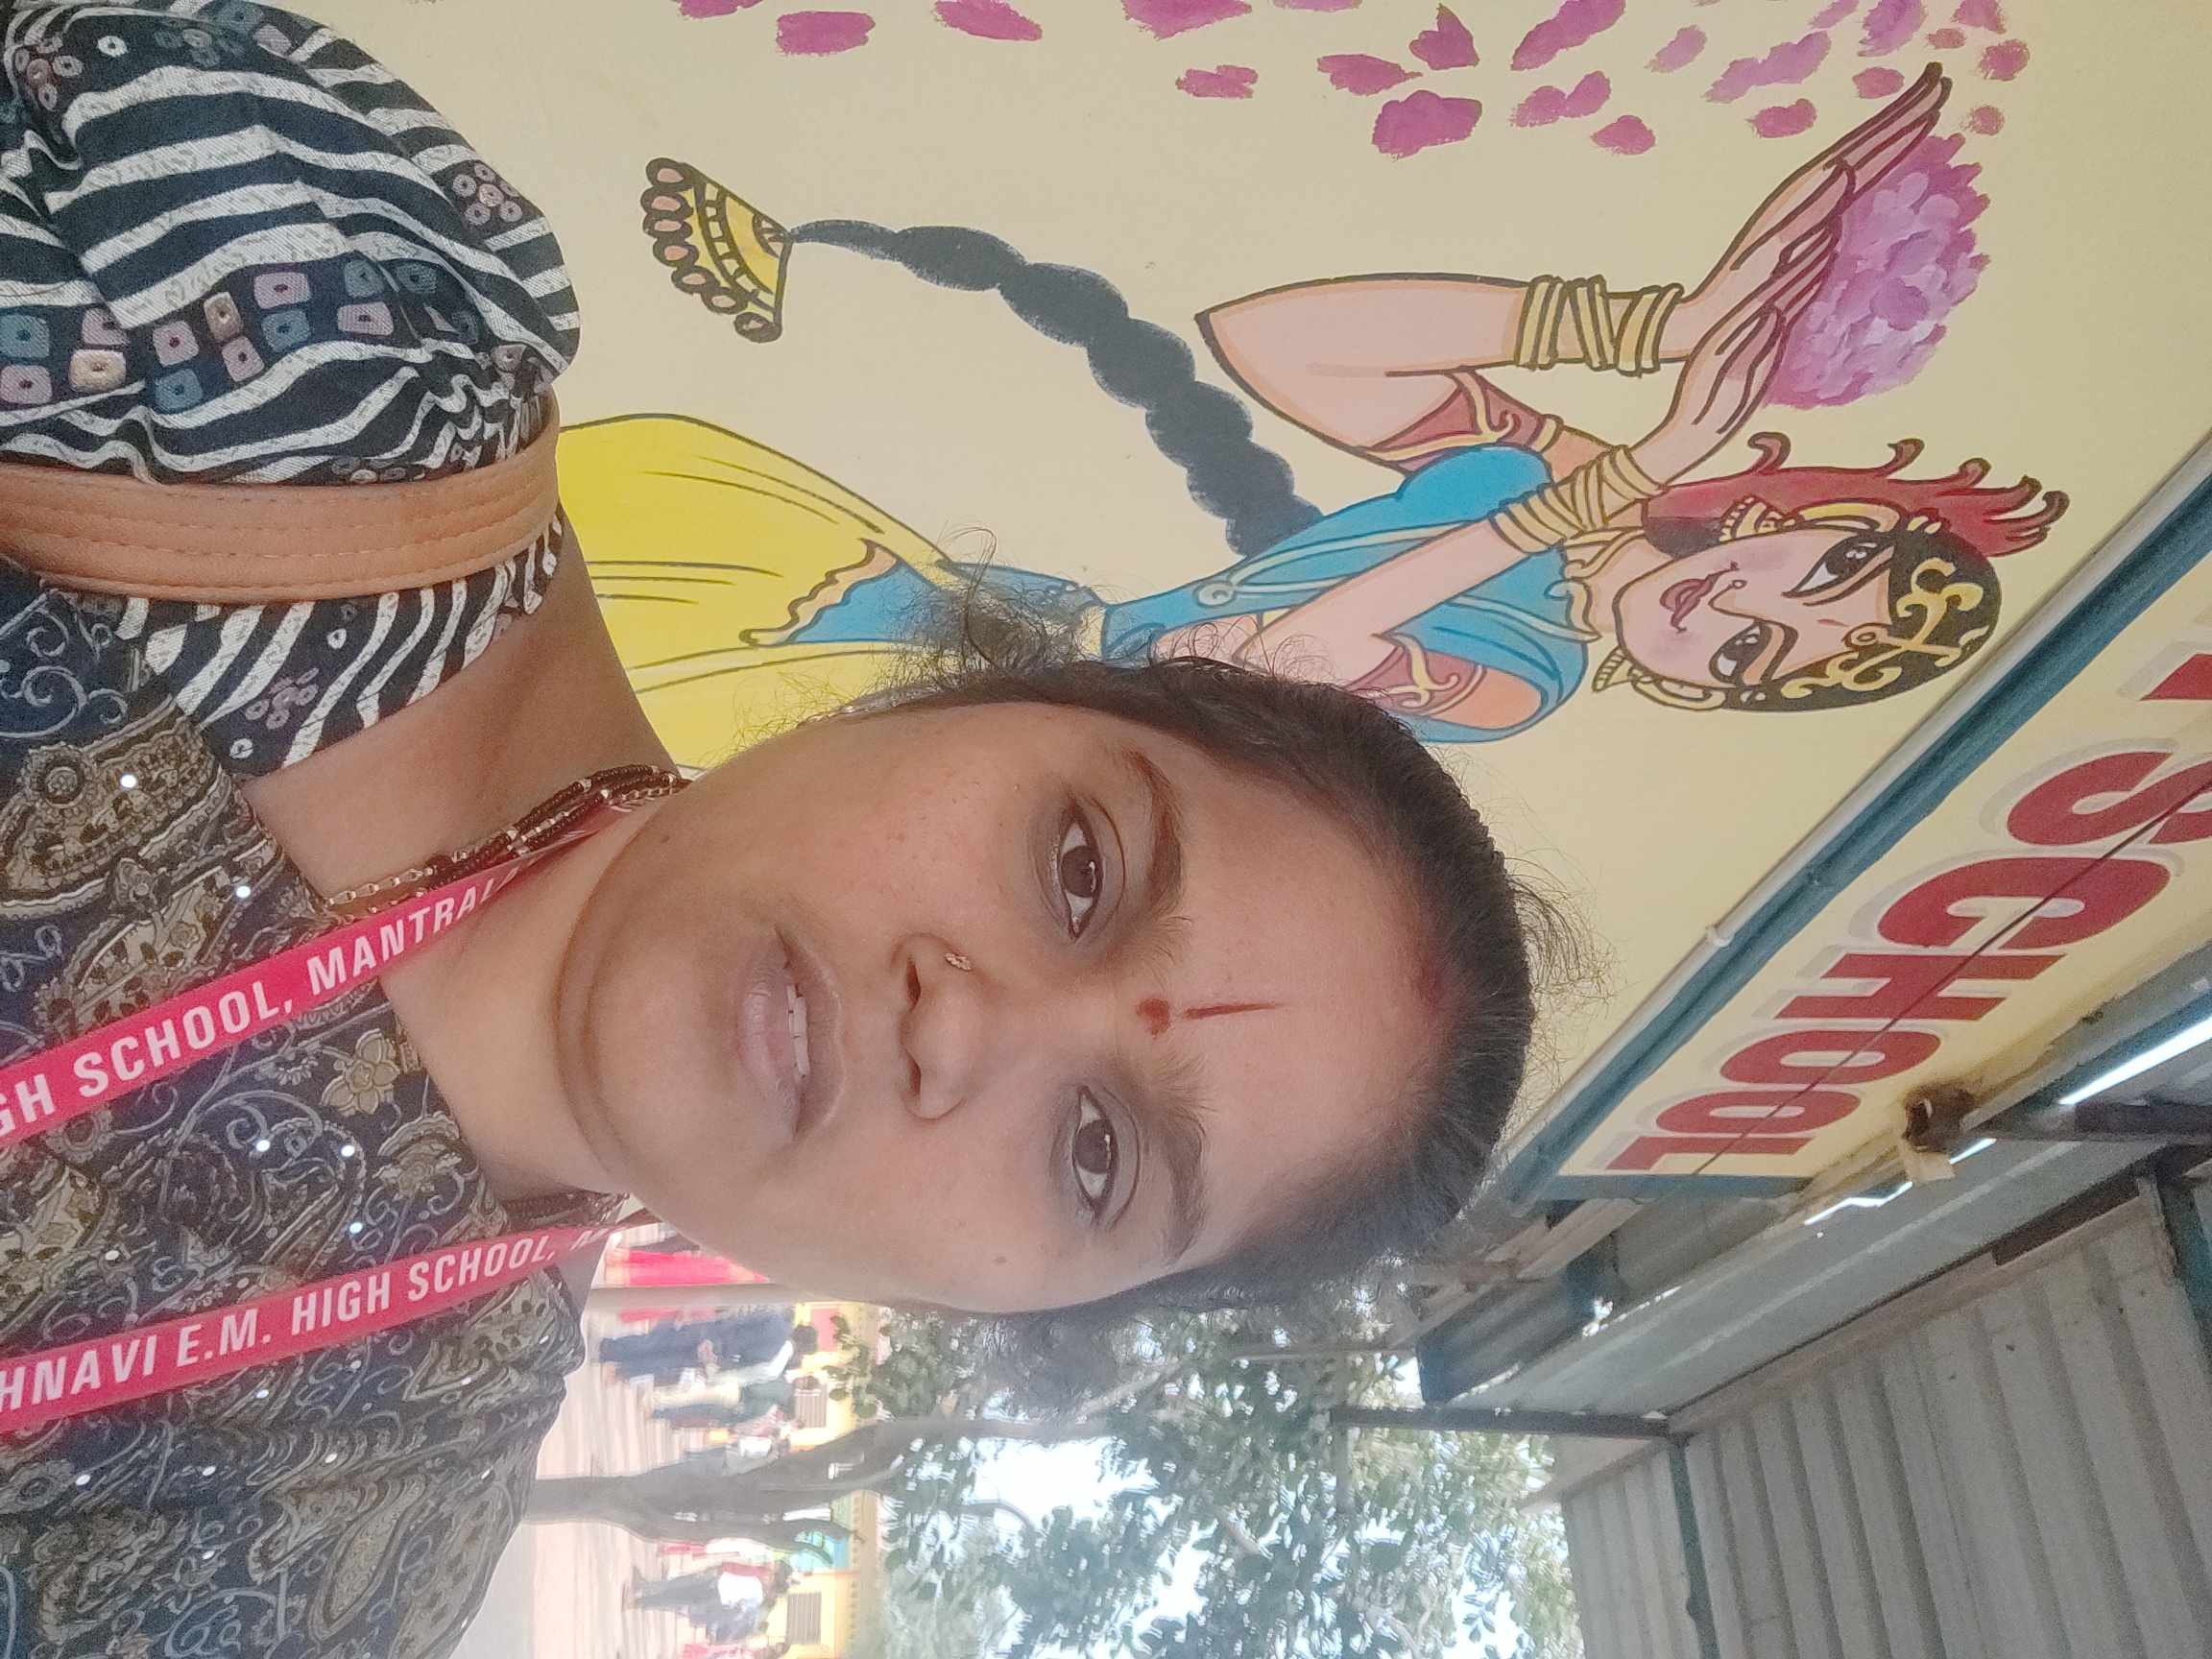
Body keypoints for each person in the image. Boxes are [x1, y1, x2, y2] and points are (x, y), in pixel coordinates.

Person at [0, 6, 1549, 1656]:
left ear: (998, 1307)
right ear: (965, 696)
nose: (963, 1026)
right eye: (1079, 867)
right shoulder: (310, 326)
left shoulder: (364, 1536)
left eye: (1098, 1153)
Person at [574, 68, 2062, 767]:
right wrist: (1646, 329)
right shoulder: (1564, 479)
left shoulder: (1526, 682)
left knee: (570, 701)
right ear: (1787, 520)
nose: (1729, 607)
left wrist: (1608, 482)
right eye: (1804, 572)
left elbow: (1289, 653)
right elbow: (1282, 345)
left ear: (1705, 695)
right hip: (962, 599)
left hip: (982, 696)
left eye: (1756, 653)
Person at [598, 1309, 811, 1383]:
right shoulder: (774, 1353)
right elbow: (744, 1362)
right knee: (666, 1361)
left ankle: (610, 1349)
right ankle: (621, 1367)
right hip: (716, 1354)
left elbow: (739, 1320)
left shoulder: (775, 1320)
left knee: (660, 1341)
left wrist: (716, 1329)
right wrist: (717, 1361)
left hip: (712, 1334)